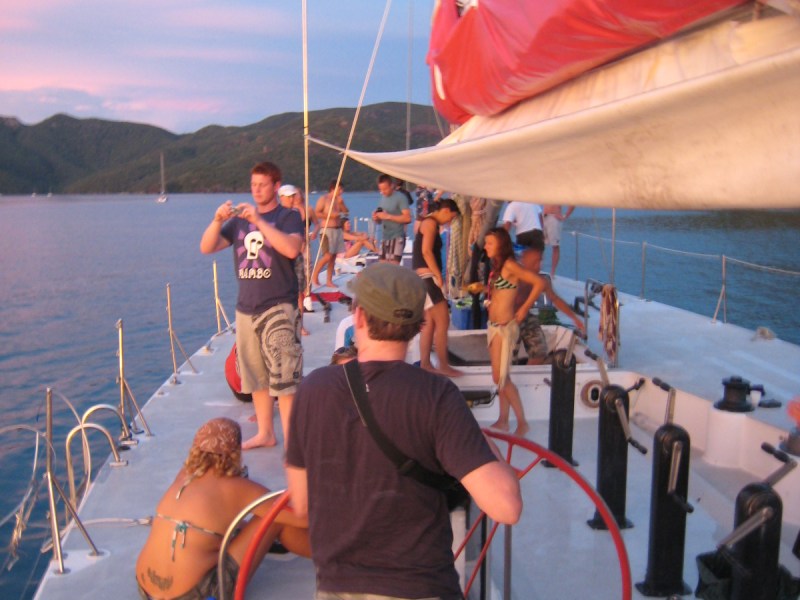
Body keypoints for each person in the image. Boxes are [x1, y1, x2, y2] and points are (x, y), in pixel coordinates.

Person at [285, 263, 522, 600]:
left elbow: (302, 503)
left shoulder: (314, 389)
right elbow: (506, 507)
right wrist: (479, 441)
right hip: (421, 587)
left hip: (337, 587)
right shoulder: (437, 395)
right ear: (418, 324)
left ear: (359, 317)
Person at [136, 418, 310, 600]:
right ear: (235, 453)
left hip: (146, 588)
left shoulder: (184, 475)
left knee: (241, 522)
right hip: (197, 595)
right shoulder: (237, 487)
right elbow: (302, 516)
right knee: (273, 516)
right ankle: (329, 559)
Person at [200, 161, 303, 450]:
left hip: (278, 307)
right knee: (256, 377)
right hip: (246, 309)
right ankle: (266, 433)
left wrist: (259, 221)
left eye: (262, 185)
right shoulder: (238, 223)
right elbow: (206, 247)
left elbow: (291, 249)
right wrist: (217, 220)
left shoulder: (288, 217)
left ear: (276, 186)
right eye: (253, 184)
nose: (256, 190)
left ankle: (293, 444)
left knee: (285, 380)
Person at [483, 227, 547, 435]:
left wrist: (524, 308)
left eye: (490, 243)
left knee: (499, 377)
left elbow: (539, 282)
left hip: (504, 328)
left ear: (501, 245)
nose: (485, 246)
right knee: (502, 376)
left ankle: (522, 422)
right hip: (494, 327)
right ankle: (503, 420)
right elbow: (502, 292)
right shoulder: (498, 265)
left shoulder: (510, 265)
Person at [412, 197, 463, 377]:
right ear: (446, 210)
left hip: (421, 278)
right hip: (428, 278)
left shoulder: (427, 223)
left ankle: (425, 364)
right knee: (443, 321)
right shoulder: (430, 223)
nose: (449, 222)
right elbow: (426, 251)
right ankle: (443, 365)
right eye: (451, 217)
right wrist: (438, 276)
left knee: (429, 324)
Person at [517, 245, 586, 364]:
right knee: (509, 354)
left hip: (526, 317)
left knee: (540, 351)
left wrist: (575, 318)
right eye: (535, 262)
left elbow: (555, 299)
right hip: (510, 318)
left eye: (540, 261)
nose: (539, 265)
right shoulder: (514, 276)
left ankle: (530, 370)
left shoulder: (542, 281)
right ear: (525, 261)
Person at [279, 184, 311, 336]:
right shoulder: (276, 215)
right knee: (281, 293)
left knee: (299, 293)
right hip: (281, 259)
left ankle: (299, 325)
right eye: (289, 197)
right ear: (281, 197)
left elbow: (303, 228)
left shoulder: (296, 214)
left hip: (296, 257)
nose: (292, 199)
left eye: (293, 196)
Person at [311, 179, 349, 288]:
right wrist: (330, 216)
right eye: (340, 189)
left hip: (337, 230)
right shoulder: (324, 199)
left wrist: (342, 203)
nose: (341, 191)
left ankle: (329, 280)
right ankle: (315, 275)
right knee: (327, 256)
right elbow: (317, 213)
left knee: (333, 257)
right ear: (333, 188)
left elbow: (346, 212)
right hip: (327, 230)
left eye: (342, 189)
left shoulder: (339, 200)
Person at [372, 173, 411, 263]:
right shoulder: (382, 198)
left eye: (385, 189)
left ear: (392, 186)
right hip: (385, 236)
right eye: (381, 190)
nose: (383, 192)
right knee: (382, 267)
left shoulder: (401, 198)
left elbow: (408, 218)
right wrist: (377, 218)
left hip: (397, 236)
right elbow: (380, 221)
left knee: (393, 267)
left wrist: (388, 216)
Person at [542, 204, 575, 277]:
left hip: (554, 218)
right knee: (540, 244)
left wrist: (565, 216)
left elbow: (572, 204)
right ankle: (538, 268)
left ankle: (552, 273)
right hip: (544, 217)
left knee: (555, 246)